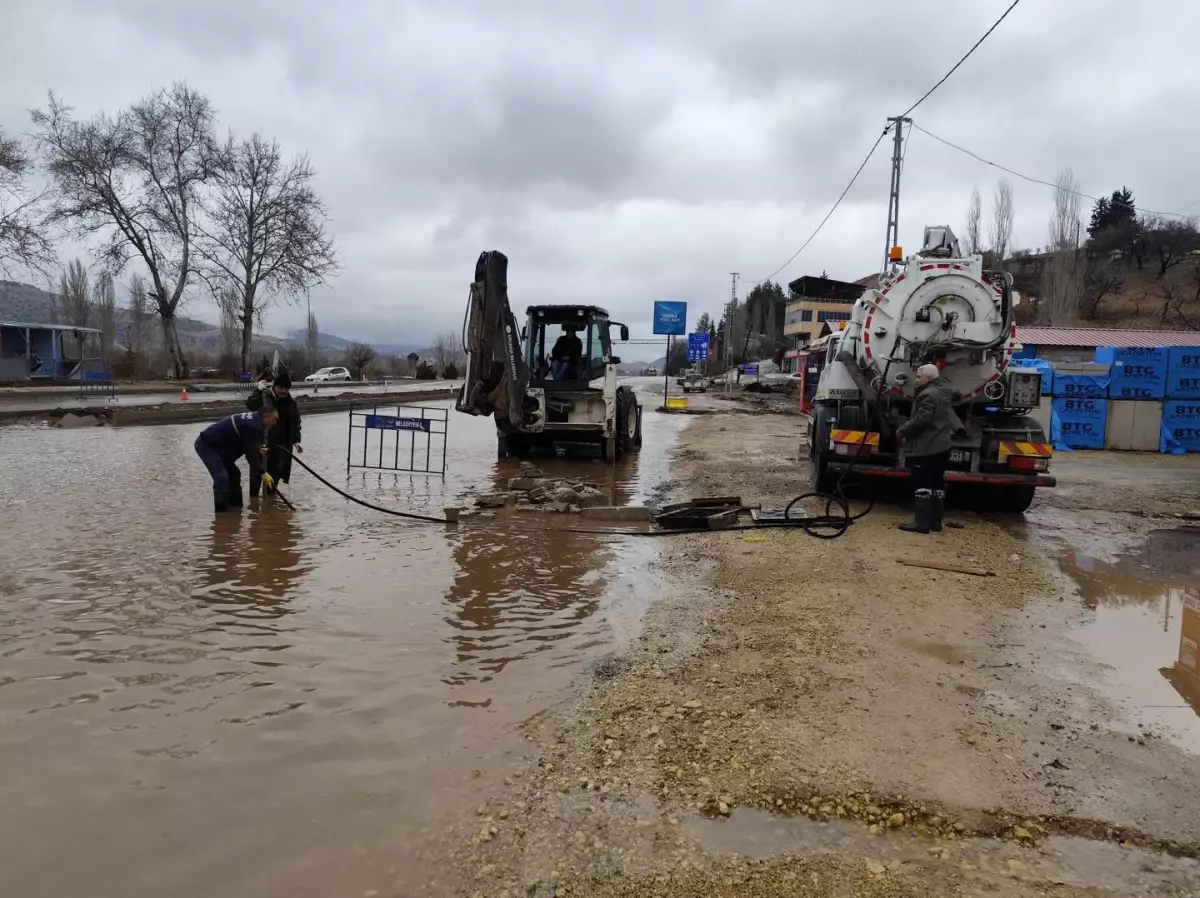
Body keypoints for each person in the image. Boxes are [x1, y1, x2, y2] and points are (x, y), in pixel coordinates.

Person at [895, 363, 954, 534]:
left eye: (919, 377)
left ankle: (921, 523)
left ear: (928, 378)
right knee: (937, 482)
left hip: (928, 446)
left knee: (922, 482)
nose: (916, 380)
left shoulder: (928, 394)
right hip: (943, 446)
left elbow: (922, 419)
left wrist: (902, 430)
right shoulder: (944, 392)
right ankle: (935, 522)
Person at [194, 407, 279, 512]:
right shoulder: (252, 426)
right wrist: (263, 473)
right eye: (274, 419)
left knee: (234, 475)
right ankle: (221, 515)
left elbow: (249, 441)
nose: (275, 423)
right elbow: (251, 456)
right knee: (221, 478)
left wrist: (258, 446)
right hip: (207, 445)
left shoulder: (256, 420)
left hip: (221, 447)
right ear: (266, 416)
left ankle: (236, 511)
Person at [246, 371, 303, 498]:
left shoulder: (292, 404)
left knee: (273, 480)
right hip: (261, 444)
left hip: (280, 447)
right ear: (275, 386)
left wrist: (296, 441)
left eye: (286, 388)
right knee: (256, 477)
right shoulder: (264, 397)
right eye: (280, 388)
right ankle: (254, 503)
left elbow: (296, 422)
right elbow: (250, 404)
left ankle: (269, 503)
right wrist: (257, 391)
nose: (283, 391)